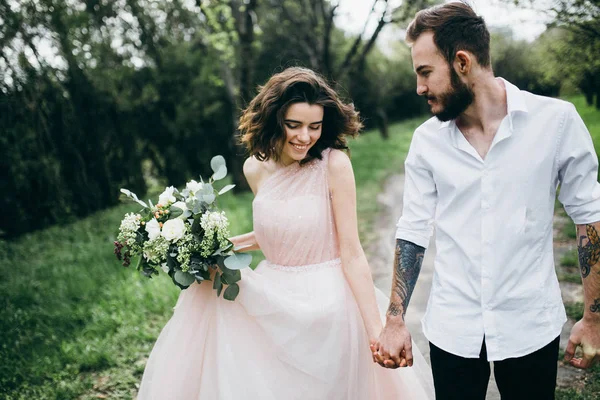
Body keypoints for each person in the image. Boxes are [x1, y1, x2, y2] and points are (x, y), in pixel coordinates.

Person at [137, 67, 434, 399]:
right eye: (294, 125)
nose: (305, 137)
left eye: (314, 127)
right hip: (272, 297)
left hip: (328, 305)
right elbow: (279, 230)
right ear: (274, 119)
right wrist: (215, 249)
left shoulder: (334, 164)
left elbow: (351, 251)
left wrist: (374, 332)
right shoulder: (254, 168)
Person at [371, 2, 600, 400]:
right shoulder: (427, 141)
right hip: (452, 327)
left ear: (462, 62)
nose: (419, 88)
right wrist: (394, 319)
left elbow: (589, 219)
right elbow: (413, 230)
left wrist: (595, 318)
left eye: (425, 72)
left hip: (531, 323)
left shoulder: (557, 122)